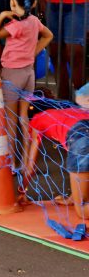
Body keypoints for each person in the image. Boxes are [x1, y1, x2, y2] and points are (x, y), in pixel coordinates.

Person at [0, 0, 53, 161]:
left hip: (12, 75)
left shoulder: (15, 26)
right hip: (28, 74)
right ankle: (26, 161)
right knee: (24, 118)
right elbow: (49, 35)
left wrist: (1, 16)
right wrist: (34, 51)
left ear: (12, 2)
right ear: (33, 3)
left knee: (10, 119)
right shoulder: (34, 21)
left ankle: (12, 163)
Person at [20, 83, 89, 218]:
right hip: (82, 133)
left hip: (81, 137)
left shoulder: (37, 120)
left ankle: (77, 200)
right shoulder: (69, 110)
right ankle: (73, 197)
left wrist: (22, 191)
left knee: (81, 211)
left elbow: (30, 166)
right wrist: (71, 198)